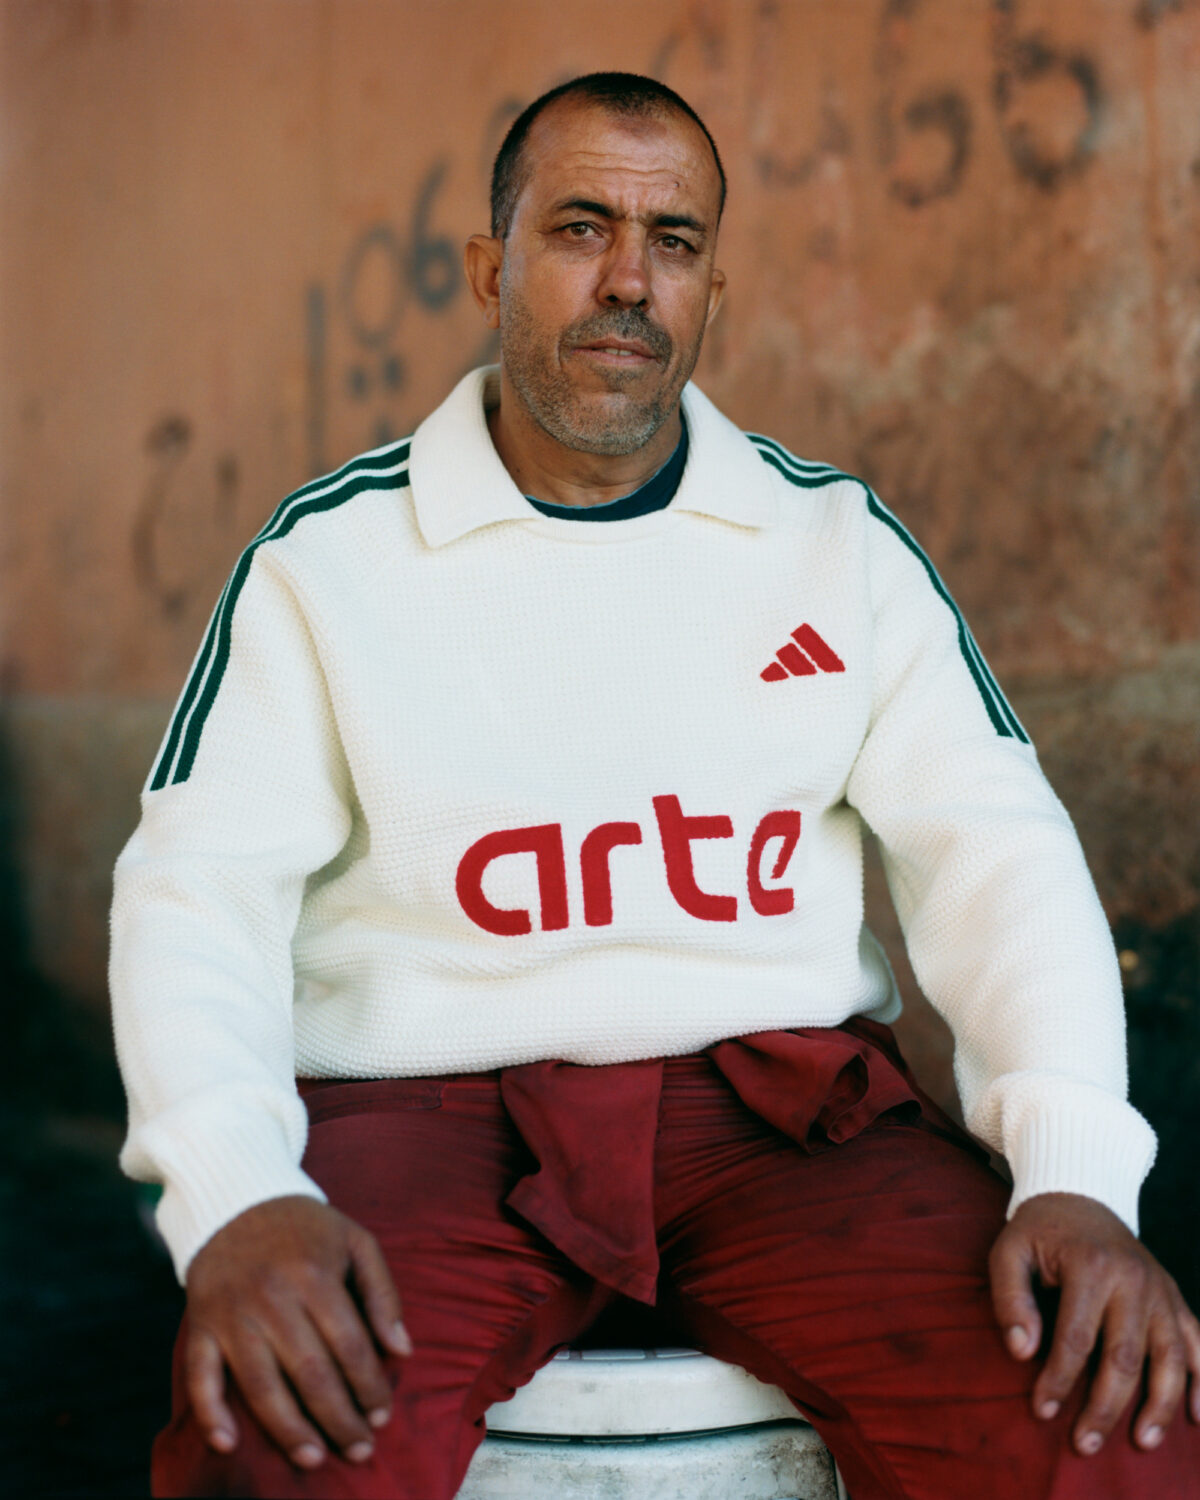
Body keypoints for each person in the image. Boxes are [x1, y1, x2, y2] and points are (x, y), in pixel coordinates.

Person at [110, 72, 1200, 1499]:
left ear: (710, 292)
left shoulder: (834, 544)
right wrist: (237, 1194)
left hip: (776, 1119)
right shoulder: (327, 562)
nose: (629, 279)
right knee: (289, 1444)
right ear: (491, 270)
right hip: (426, 1118)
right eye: (581, 228)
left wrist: (1073, 1176)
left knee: (1096, 1431)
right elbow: (196, 892)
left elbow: (1001, 857)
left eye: (673, 242)